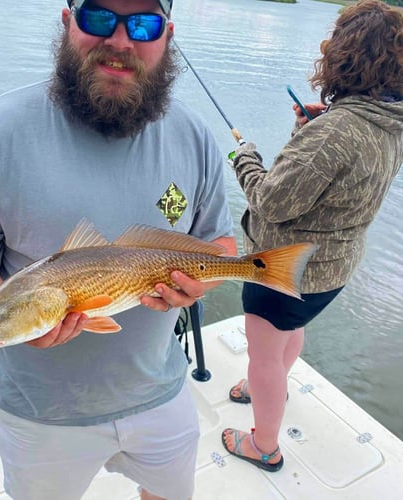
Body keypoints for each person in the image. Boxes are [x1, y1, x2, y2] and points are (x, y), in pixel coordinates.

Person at [0, 0, 237, 499]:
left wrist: (203, 279)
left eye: (142, 23)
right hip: (38, 413)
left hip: (162, 389)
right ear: (68, 21)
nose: (120, 41)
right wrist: (18, 321)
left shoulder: (196, 136)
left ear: (167, 35)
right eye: (98, 17)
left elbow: (220, 243)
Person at [222, 0, 403, 472]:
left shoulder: (336, 131)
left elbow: (272, 200)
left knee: (263, 349)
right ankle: (272, 381)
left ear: (342, 56)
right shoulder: (391, 125)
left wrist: (245, 157)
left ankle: (264, 444)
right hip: (332, 271)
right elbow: (333, 173)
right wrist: (314, 127)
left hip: (284, 269)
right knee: (290, 334)